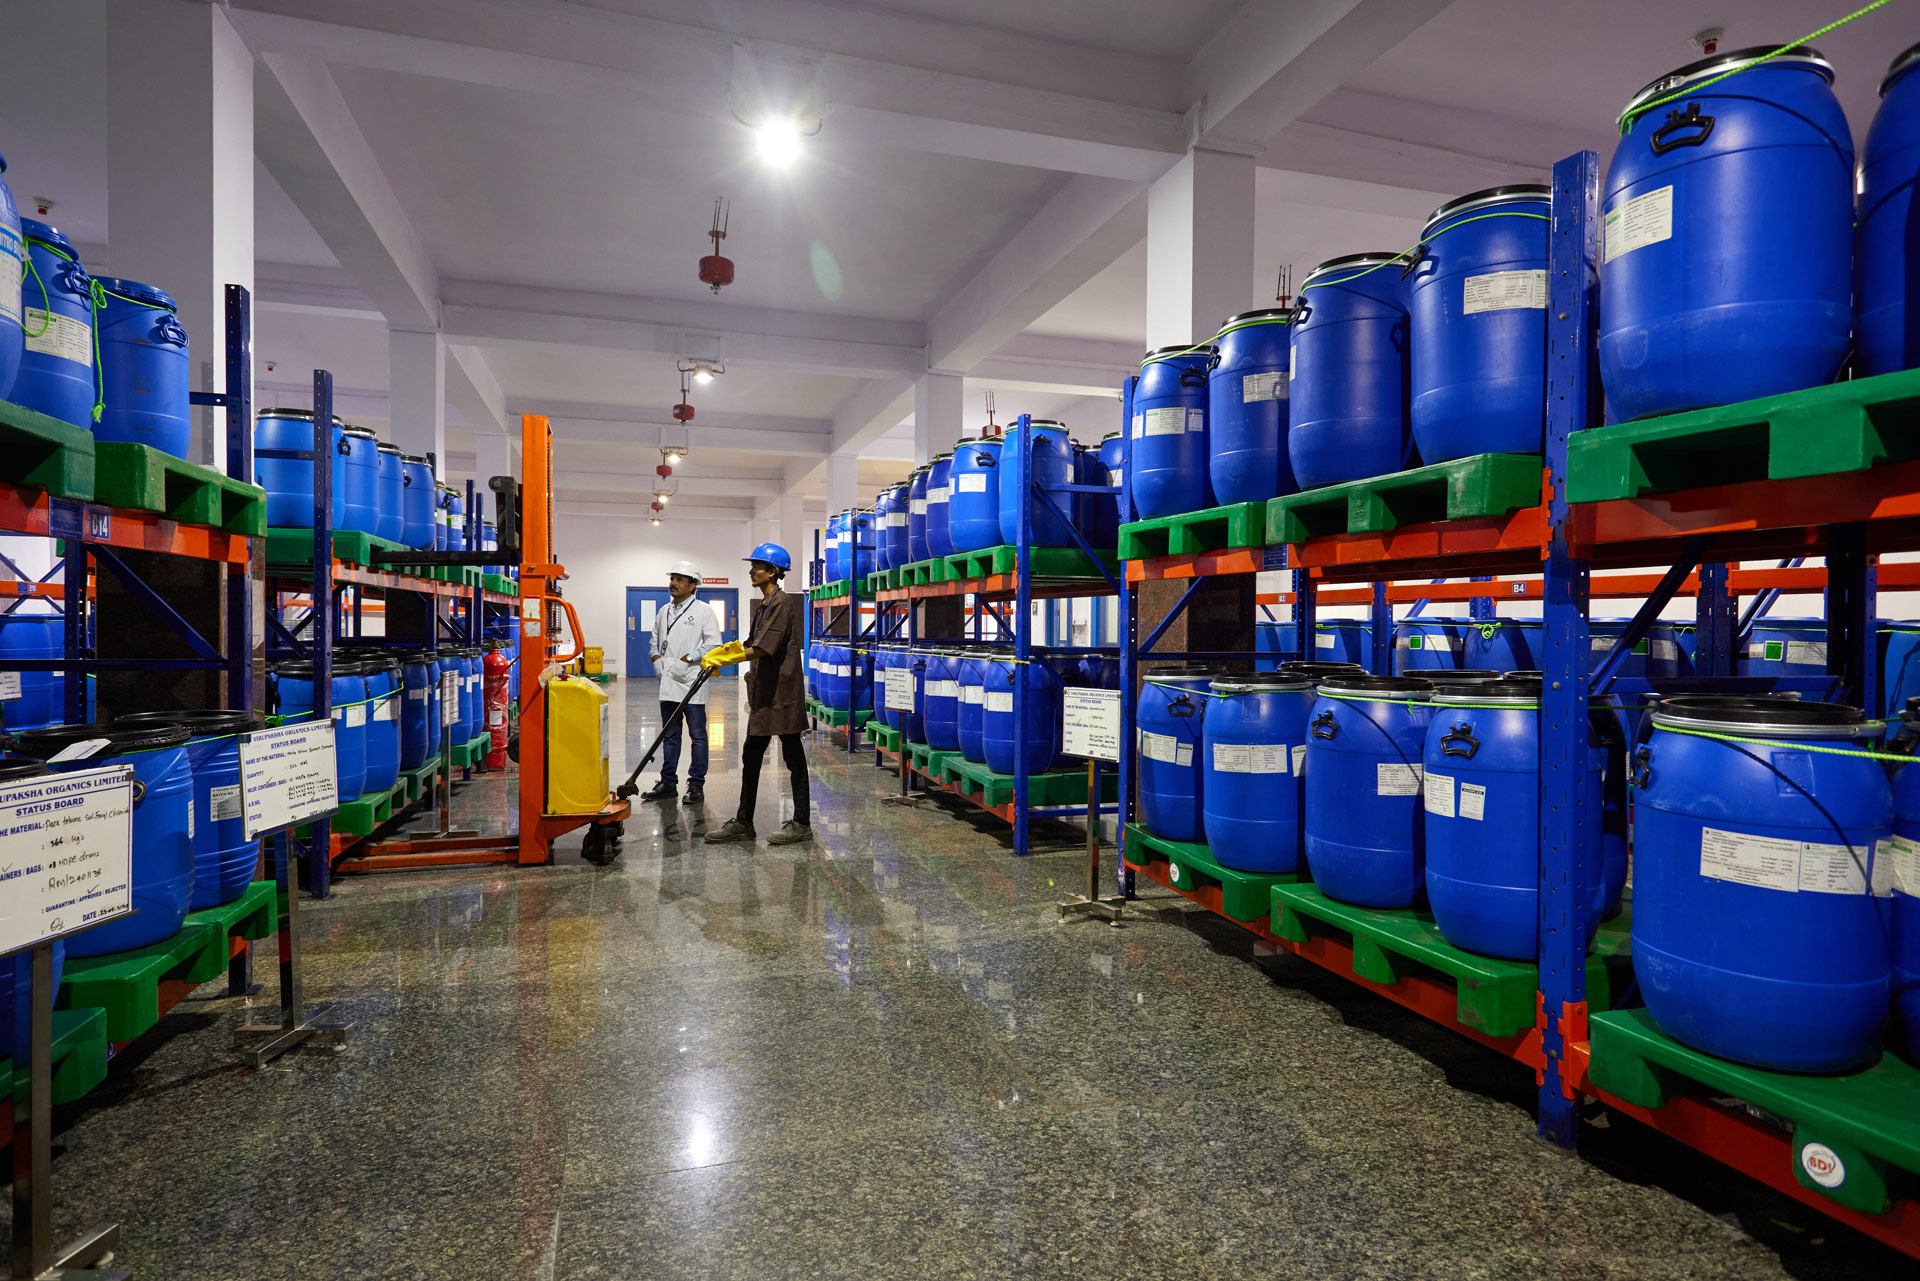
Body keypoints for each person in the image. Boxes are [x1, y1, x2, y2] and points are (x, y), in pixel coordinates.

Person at [702, 542, 811, 846]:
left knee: (793, 756)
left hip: (782, 694)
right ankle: (744, 823)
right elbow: (751, 642)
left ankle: (802, 823)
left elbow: (764, 647)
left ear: (772, 571)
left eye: (757, 567)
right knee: (751, 755)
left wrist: (727, 660)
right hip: (765, 693)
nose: (751, 571)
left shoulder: (782, 603)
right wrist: (720, 653)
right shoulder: (765, 604)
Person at [641, 559, 720, 805]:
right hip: (668, 683)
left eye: (679, 579)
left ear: (692, 585)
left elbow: (714, 644)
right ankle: (668, 783)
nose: (673, 583)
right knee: (670, 735)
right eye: (672, 579)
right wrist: (655, 658)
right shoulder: (663, 611)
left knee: (697, 736)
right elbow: (654, 640)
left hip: (691, 682)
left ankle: (696, 785)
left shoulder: (703, 611)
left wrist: (690, 657)